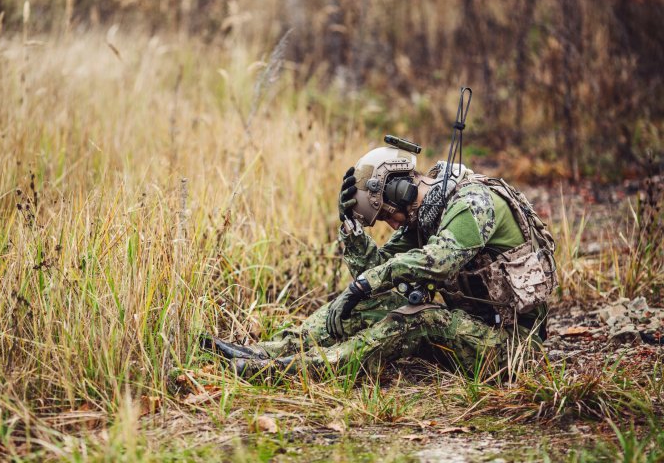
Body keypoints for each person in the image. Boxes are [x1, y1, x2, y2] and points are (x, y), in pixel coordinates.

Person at [202, 142, 557, 379]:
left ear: (401, 191)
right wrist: (353, 229)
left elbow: (439, 262)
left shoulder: (473, 203)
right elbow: (374, 275)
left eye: (387, 215)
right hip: (472, 332)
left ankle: (293, 370)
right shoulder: (424, 217)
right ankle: (263, 352)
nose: (391, 224)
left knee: (421, 318)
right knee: (372, 299)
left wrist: (369, 281)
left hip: (514, 351)